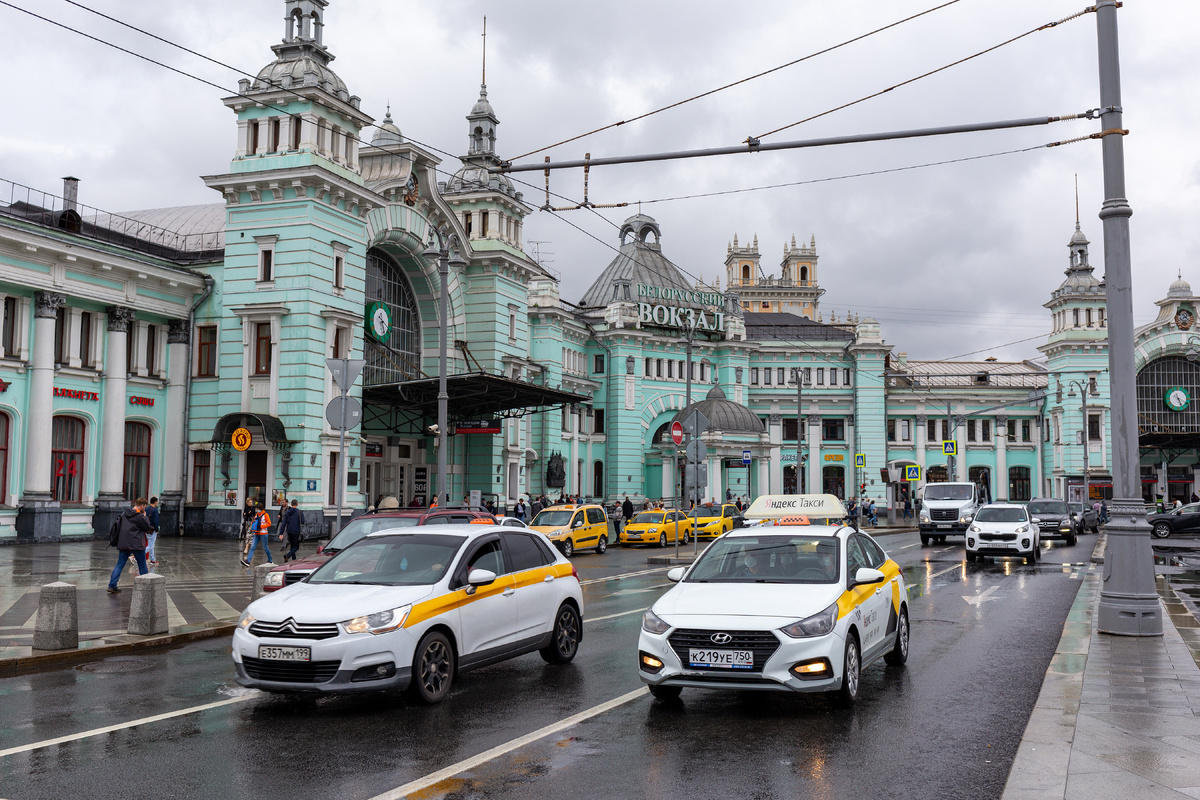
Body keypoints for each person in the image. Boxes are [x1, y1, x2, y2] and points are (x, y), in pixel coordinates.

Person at [107, 498, 153, 593]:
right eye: (144, 507)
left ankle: (112, 585)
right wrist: (145, 517)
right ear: (141, 506)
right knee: (142, 565)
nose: (144, 509)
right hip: (136, 544)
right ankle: (146, 586)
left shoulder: (125, 514)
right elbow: (147, 528)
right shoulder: (139, 516)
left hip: (124, 543)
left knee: (119, 564)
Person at [241, 502, 273, 567]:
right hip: (256, 533)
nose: (256, 510)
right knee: (252, 547)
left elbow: (269, 523)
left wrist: (261, 526)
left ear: (260, 508)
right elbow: (254, 521)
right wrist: (253, 523)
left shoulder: (265, 515)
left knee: (265, 547)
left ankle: (270, 559)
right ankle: (248, 561)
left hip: (263, 533)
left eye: (257, 509)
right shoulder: (257, 515)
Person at [145, 496, 161, 567]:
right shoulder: (155, 510)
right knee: (150, 545)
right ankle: (136, 557)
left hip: (147, 529)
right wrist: (157, 529)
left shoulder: (146, 509)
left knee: (151, 545)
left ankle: (153, 559)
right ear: (155, 502)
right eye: (157, 502)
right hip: (152, 529)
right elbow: (156, 521)